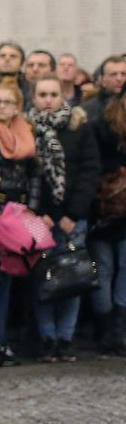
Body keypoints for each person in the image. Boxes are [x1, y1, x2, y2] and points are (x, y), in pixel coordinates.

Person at [0, 81, 60, 367]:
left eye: (7, 102)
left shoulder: (26, 133)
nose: (1, 107)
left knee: (6, 277)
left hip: (17, 214)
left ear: (17, 106)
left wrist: (30, 211)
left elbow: (35, 174)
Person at [29, 74, 99, 362]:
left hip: (72, 217)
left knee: (72, 278)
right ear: (34, 98)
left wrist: (73, 213)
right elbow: (31, 174)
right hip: (41, 217)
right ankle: (47, 338)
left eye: (53, 94)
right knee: (43, 279)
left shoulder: (78, 128)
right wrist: (42, 212)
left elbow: (88, 171)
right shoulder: (27, 128)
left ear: (63, 97)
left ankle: (65, 338)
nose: (48, 100)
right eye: (42, 94)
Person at [89, 90, 126, 354]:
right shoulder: (101, 125)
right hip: (104, 207)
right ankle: (104, 328)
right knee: (104, 268)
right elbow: (93, 165)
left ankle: (119, 328)